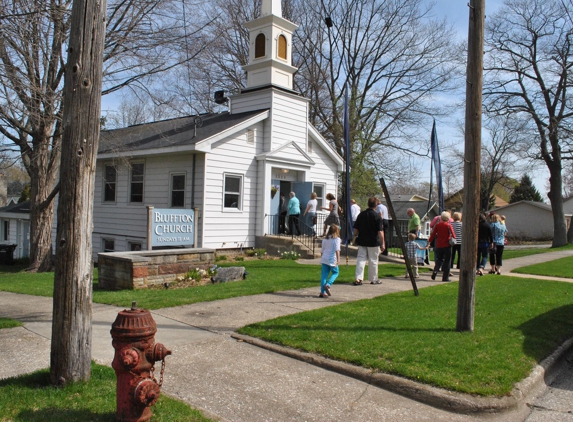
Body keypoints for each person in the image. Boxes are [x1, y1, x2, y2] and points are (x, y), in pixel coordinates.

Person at [353, 197, 385, 285]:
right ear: (376, 205)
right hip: (373, 241)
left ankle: (358, 278)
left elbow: (356, 229)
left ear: (368, 204)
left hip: (362, 240)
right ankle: (373, 279)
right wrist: (383, 243)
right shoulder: (377, 216)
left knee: (361, 259)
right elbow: (380, 231)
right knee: (373, 260)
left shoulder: (361, 214)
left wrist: (354, 237)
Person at [426, 211, 455, 282]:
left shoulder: (438, 225)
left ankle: (435, 270)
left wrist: (429, 241)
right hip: (447, 245)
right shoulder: (449, 225)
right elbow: (454, 235)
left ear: (441, 217)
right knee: (447, 261)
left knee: (439, 259)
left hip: (439, 244)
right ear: (448, 218)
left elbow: (432, 234)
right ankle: (445, 277)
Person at [318, 224, 341, 298]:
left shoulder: (325, 239)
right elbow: (337, 250)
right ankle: (328, 285)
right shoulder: (337, 239)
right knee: (335, 272)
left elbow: (322, 250)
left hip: (325, 258)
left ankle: (322, 292)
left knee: (324, 276)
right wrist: (338, 259)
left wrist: (322, 258)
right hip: (332, 259)